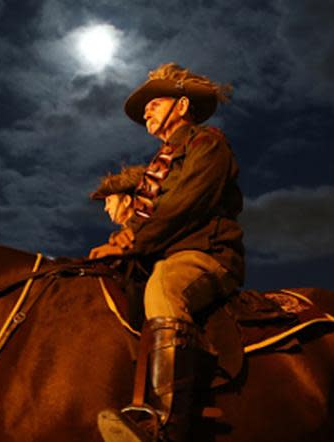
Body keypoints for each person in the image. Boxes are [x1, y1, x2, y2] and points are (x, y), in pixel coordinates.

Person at [92, 63, 245, 442]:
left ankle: (165, 425)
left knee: (165, 288)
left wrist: (130, 241)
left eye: (154, 103)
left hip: (204, 253)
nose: (145, 111)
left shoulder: (208, 143)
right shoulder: (154, 170)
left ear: (180, 105)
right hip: (159, 253)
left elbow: (185, 205)